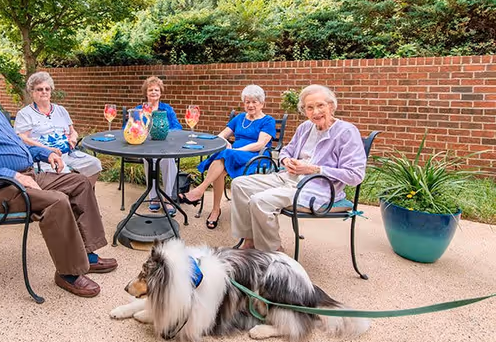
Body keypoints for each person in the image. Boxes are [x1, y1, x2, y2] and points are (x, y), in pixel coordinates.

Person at [0, 56, 117, 298]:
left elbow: (15, 146)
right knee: (56, 200)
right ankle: (68, 272)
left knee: (79, 182)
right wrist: (12, 175)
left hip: (22, 177)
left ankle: (88, 254)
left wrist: (45, 152)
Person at [230, 84, 367, 252]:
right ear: (305, 110)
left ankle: (274, 254)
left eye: (320, 105)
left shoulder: (346, 132)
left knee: (260, 201)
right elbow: (286, 150)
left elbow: (355, 175)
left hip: (318, 187)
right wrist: (286, 160)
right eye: (310, 107)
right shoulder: (305, 127)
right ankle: (250, 241)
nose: (315, 112)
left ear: (331, 106)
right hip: (289, 177)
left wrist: (314, 169)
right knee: (239, 184)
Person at [179, 85, 276, 229]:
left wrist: (238, 150)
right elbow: (221, 136)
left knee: (224, 157)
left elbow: (260, 144)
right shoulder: (240, 118)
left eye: (254, 102)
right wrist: (226, 143)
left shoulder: (268, 121)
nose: (250, 105)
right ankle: (215, 209)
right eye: (247, 102)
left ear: (262, 103)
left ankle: (200, 191)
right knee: (221, 164)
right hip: (233, 155)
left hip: (255, 156)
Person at [14, 71, 102, 187]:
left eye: (47, 89)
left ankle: (83, 196)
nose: (44, 92)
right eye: (39, 89)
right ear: (32, 92)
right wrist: (47, 149)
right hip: (46, 158)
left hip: (69, 154)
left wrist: (73, 138)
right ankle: (69, 200)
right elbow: (22, 138)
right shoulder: (25, 114)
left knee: (95, 164)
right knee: (65, 174)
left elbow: (72, 131)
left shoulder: (61, 110)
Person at [135, 76, 182, 215]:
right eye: (151, 90)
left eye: (156, 89)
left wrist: (164, 130)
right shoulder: (139, 109)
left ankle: (167, 198)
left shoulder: (167, 109)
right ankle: (153, 197)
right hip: (146, 146)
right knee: (149, 160)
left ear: (160, 92)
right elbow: (129, 126)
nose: (154, 92)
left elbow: (177, 127)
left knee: (168, 160)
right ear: (146, 92)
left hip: (165, 146)